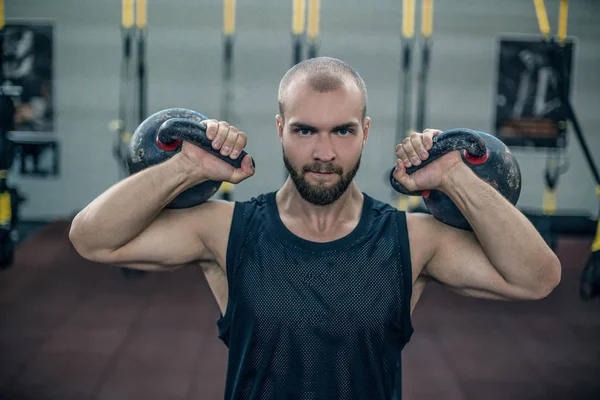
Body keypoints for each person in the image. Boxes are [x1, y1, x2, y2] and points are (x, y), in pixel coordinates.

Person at [69, 57, 561, 400]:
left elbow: (535, 277)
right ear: (280, 127)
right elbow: (92, 238)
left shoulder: (412, 239)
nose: (324, 153)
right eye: (305, 130)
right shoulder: (224, 229)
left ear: (365, 132)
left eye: (342, 131)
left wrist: (453, 177)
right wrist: (188, 167)